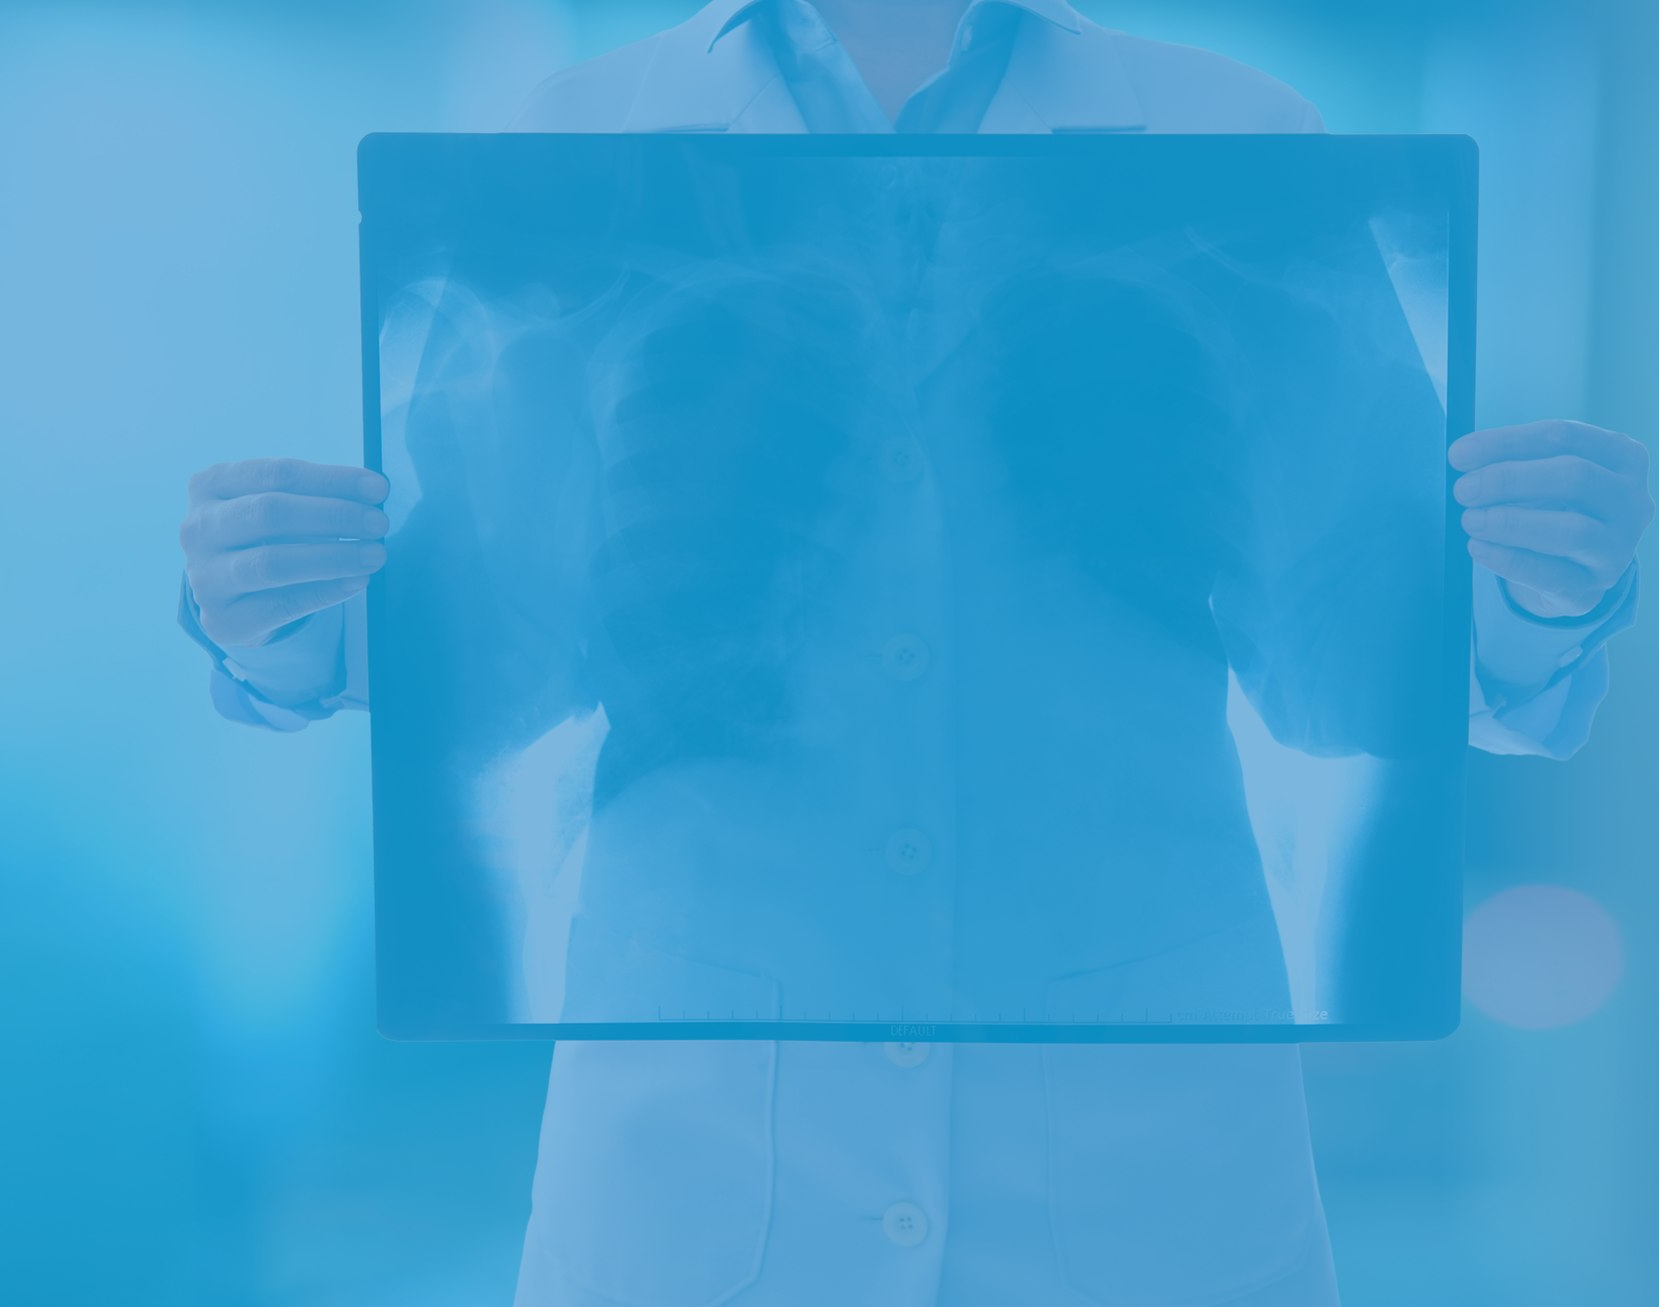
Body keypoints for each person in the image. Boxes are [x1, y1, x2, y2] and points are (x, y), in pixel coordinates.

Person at [175, 3, 1654, 1303]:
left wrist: (1542, 591)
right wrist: (286, 620)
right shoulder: (578, 140)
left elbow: (1353, 665)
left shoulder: (1239, 136)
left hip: (1149, 1185)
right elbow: (490, 667)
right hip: (701, 1174)